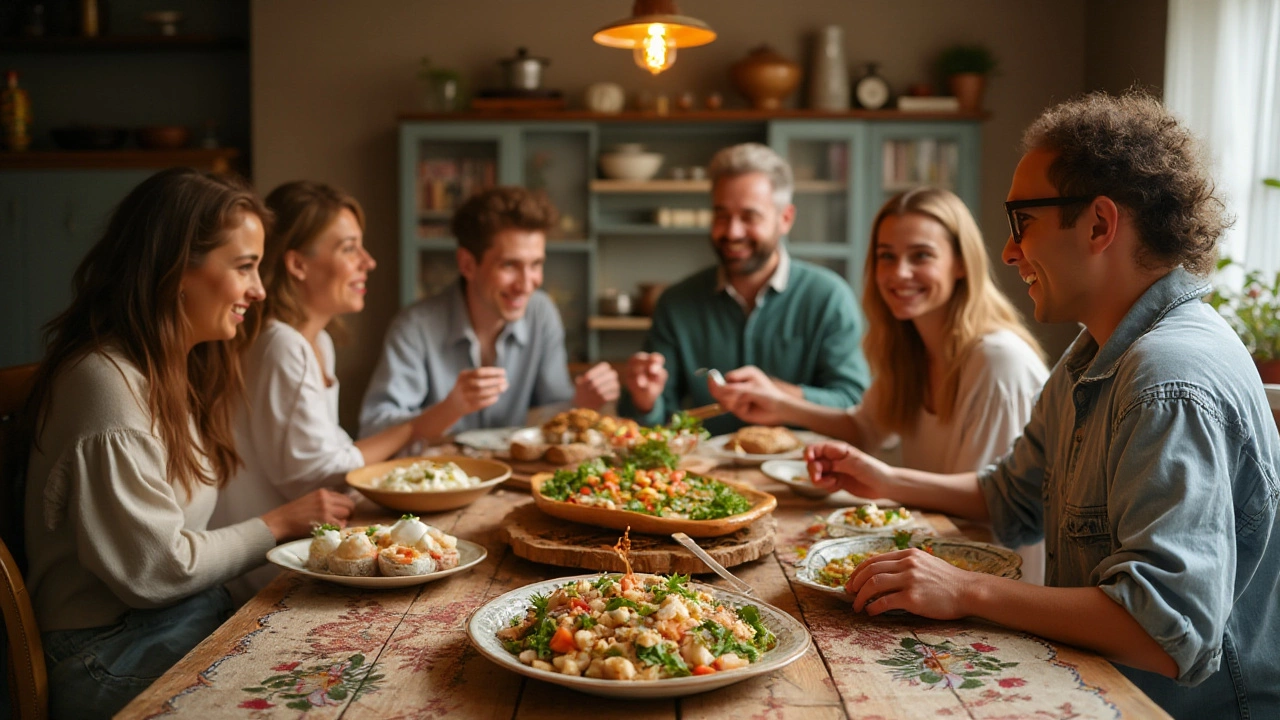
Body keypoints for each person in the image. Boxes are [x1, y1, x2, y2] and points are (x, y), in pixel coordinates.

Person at [806, 91, 1280, 718]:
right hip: (1094, 685)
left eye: (1021, 221)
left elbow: (1166, 634)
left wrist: (966, 589)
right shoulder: (1094, 354)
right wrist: (884, 478)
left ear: (1099, 224)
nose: (1008, 251)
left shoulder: (1168, 379)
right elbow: (1010, 499)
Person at [18, 168, 354, 719]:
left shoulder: (171, 370)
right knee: (314, 702)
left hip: (178, 617)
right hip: (103, 651)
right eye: (245, 266)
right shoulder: (105, 387)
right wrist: (277, 523)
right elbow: (156, 571)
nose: (260, 290)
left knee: (344, 660)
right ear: (176, 268)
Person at [715, 187, 1049, 581]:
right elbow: (866, 428)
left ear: (961, 263)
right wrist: (781, 405)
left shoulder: (997, 361)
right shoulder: (909, 349)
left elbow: (985, 510)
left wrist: (884, 482)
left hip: (990, 583)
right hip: (938, 561)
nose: (898, 273)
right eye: (886, 256)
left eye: (921, 255)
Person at [211, 181, 430, 602]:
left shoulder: (317, 342)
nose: (368, 261)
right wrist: (414, 428)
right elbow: (315, 473)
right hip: (266, 572)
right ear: (297, 264)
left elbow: (330, 454)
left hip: (303, 549)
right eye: (349, 249)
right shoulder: (281, 345)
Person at [618, 143, 870, 435]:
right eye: (721, 215)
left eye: (749, 217)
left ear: (785, 219)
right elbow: (652, 423)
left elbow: (854, 404)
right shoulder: (676, 303)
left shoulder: (828, 297)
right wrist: (645, 401)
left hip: (802, 473)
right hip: (701, 474)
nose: (732, 232)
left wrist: (780, 395)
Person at [359, 186, 618, 439]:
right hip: (444, 476)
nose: (527, 284)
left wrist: (580, 403)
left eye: (536, 264)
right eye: (509, 265)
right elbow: (374, 429)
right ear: (467, 264)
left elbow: (552, 418)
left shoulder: (541, 312)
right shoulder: (416, 326)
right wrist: (450, 409)